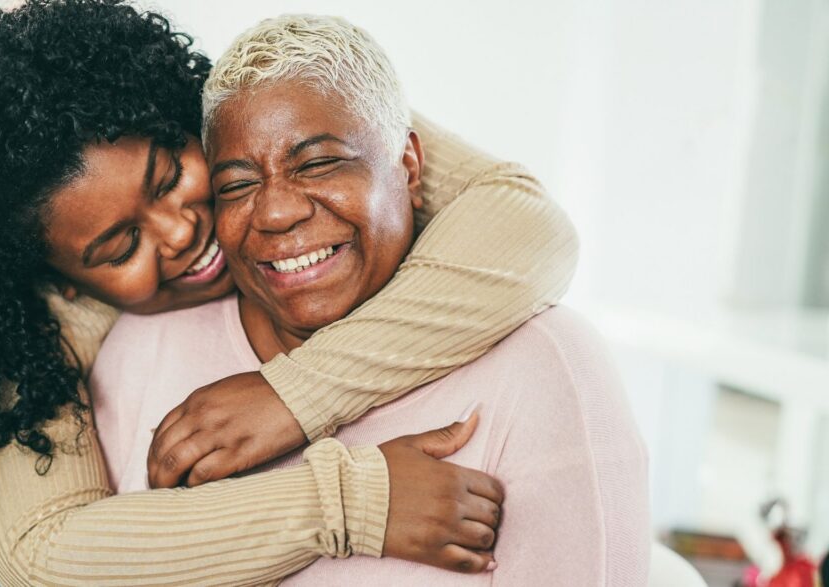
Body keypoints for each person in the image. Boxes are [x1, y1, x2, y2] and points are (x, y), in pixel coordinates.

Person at [0, 1, 577, 584]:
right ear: (60, 280)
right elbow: (47, 552)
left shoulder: (241, 112)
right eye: (119, 247)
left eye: (172, 175)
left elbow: (528, 221)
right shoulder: (10, 326)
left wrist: (295, 394)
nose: (178, 232)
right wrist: (347, 503)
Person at [91, 14, 650, 586]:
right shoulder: (143, 349)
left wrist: (294, 394)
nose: (277, 211)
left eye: (318, 163)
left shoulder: (545, 365)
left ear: (408, 166)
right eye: (236, 185)